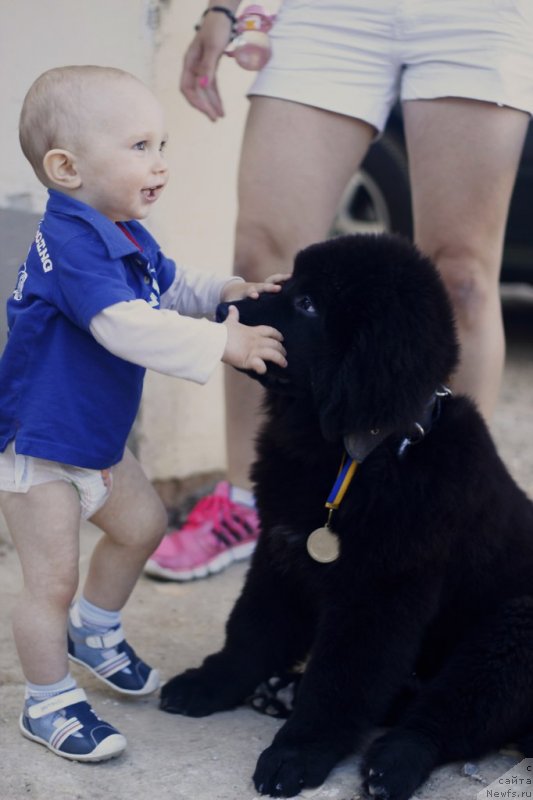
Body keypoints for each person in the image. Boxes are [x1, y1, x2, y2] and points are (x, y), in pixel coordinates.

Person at [144, 0, 533, 582]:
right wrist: (224, 8)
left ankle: (446, 510)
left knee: (463, 280)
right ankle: (247, 506)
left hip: (476, 17)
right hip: (333, 12)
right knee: (261, 260)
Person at [0, 64, 288, 762]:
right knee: (50, 581)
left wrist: (226, 291)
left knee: (141, 524)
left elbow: (170, 282)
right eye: (138, 148)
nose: (158, 165)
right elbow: (125, 326)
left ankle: (93, 629)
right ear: (66, 168)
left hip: (92, 441)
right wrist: (222, 341)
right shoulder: (70, 242)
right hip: (39, 448)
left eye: (160, 146)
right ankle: (48, 701)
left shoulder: (122, 229)